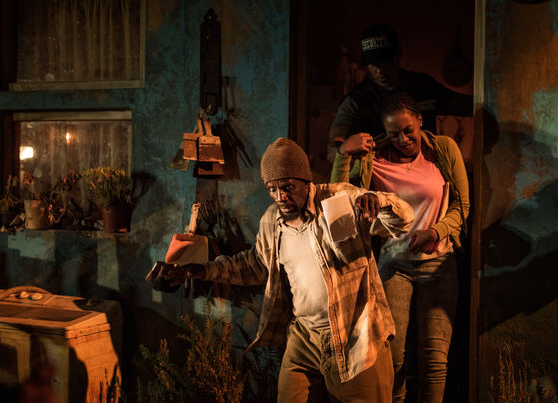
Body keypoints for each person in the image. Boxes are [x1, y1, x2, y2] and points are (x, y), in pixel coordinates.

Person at [150, 138, 414, 402]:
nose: (281, 197)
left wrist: (379, 202)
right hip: (305, 337)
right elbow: (254, 264)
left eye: (288, 187)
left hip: (355, 336)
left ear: (306, 181)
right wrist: (201, 270)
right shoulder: (272, 221)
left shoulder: (337, 200)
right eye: (272, 189)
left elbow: (405, 218)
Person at [330, 93, 469, 403]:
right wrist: (343, 153)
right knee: (392, 359)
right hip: (394, 264)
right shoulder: (373, 159)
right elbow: (338, 198)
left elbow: (462, 205)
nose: (404, 140)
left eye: (408, 130)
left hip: (439, 264)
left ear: (420, 120)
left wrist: (435, 232)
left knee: (434, 360)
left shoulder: (443, 149)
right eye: (394, 134)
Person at [329, 23, 472, 167]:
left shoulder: (424, 85)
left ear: (398, 54)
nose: (379, 69)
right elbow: (336, 141)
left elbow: (467, 105)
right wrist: (343, 149)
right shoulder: (356, 100)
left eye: (385, 60)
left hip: (427, 169)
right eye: (373, 63)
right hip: (380, 174)